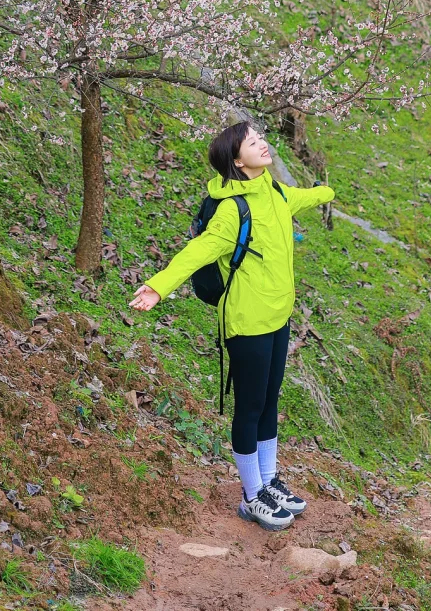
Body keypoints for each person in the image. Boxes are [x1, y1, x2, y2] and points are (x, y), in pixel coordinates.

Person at [128, 121, 335, 531]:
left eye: (261, 137)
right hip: (247, 323)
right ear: (237, 161)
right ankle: (251, 495)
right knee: (250, 407)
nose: (262, 143)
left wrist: (326, 193)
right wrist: (157, 287)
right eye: (252, 141)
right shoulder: (231, 209)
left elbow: (296, 198)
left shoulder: (272, 190)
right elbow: (197, 251)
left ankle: (268, 479)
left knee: (270, 402)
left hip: (278, 317)